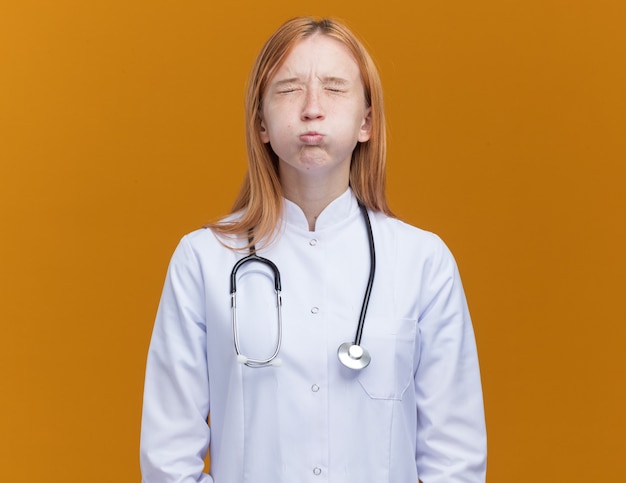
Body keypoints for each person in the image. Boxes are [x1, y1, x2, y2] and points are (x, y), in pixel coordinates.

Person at [140, 16, 486, 483]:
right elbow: (168, 460)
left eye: (334, 88)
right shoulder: (202, 261)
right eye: (288, 89)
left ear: (367, 121)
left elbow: (455, 462)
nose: (311, 109)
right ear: (260, 122)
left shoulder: (423, 263)